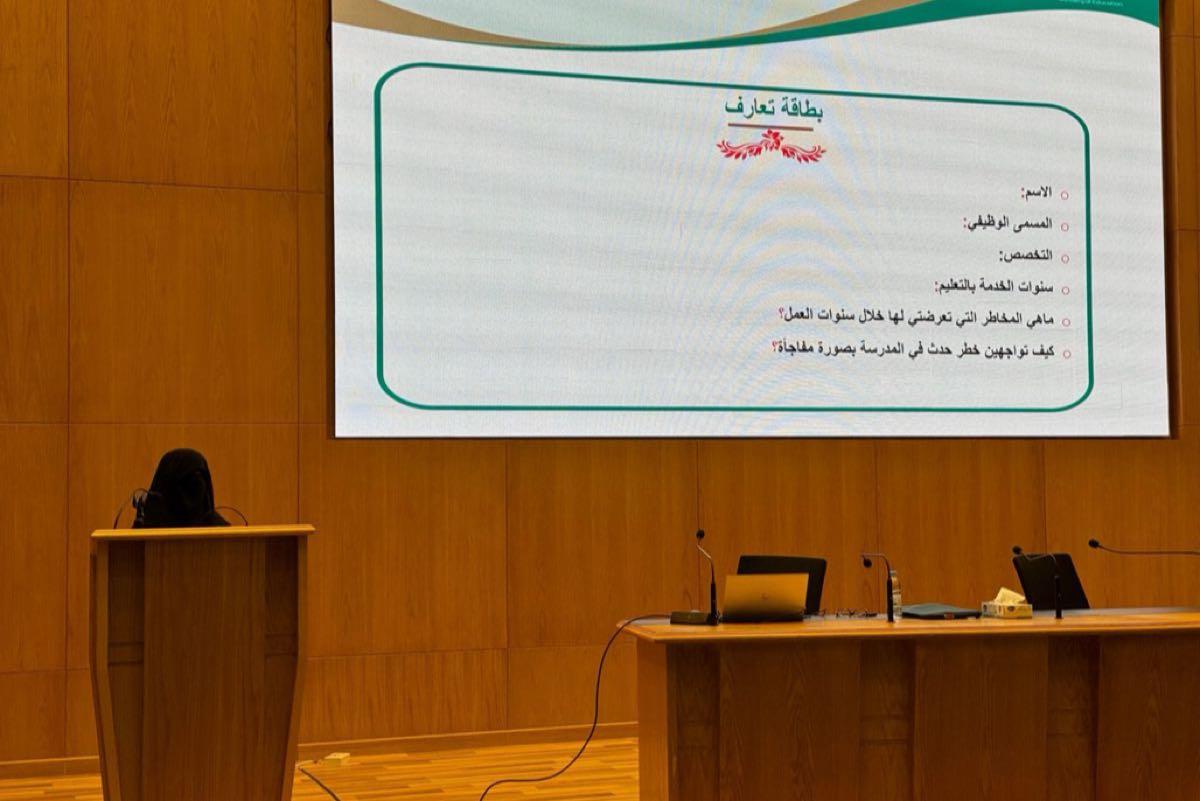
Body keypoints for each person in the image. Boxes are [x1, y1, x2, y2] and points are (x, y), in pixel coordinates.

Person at [133, 448, 229, 528]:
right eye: (186, 479)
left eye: (199, 475)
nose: (194, 485)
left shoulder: (222, 535)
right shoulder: (145, 534)